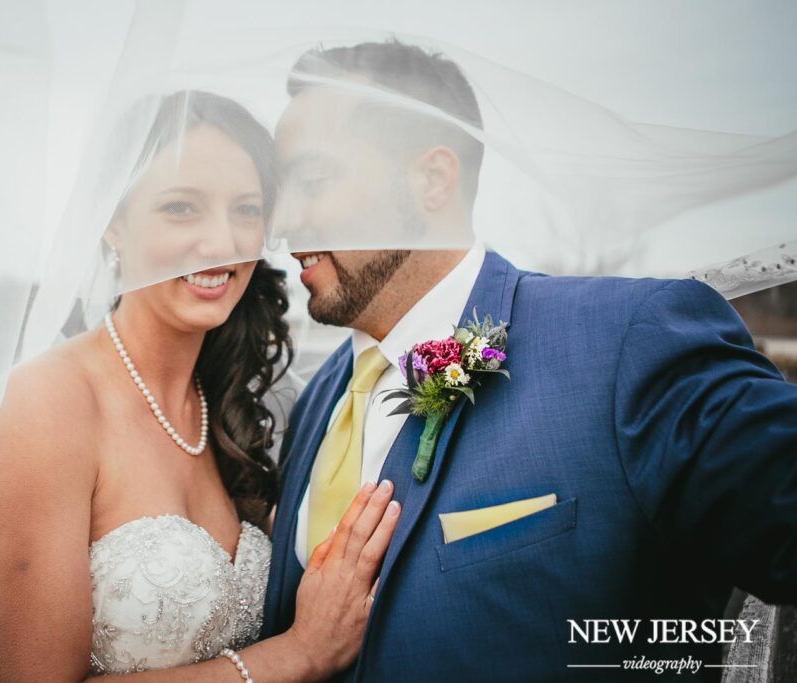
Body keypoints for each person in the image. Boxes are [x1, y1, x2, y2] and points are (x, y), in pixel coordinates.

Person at [262, 41, 797, 681]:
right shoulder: (319, 397)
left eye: (312, 181)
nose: (284, 218)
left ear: (431, 179)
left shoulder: (624, 341)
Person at [0, 91, 400, 682]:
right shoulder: (46, 405)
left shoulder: (229, 408)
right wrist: (297, 654)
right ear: (113, 226)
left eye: (246, 211)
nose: (222, 242)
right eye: (182, 208)